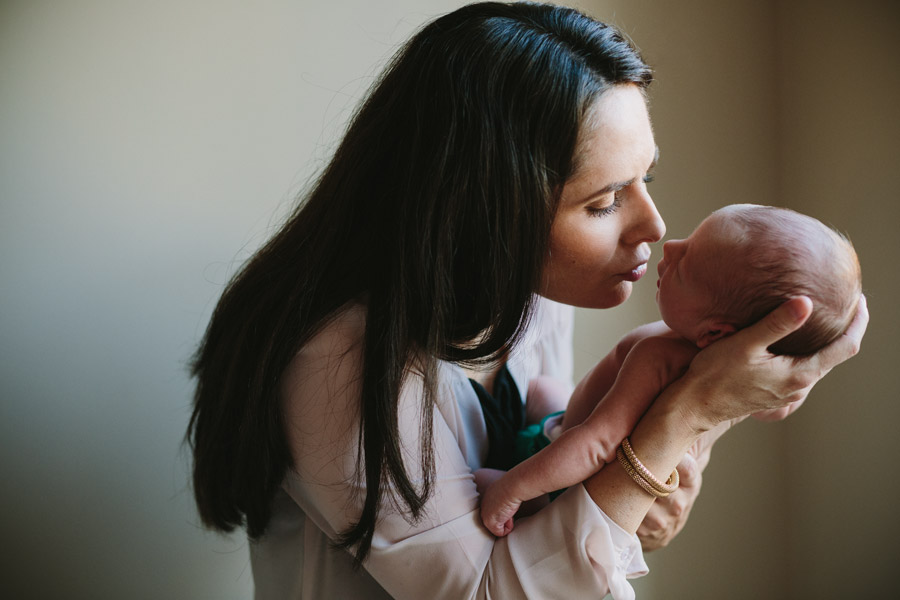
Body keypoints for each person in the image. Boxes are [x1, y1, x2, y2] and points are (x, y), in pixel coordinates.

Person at [186, 3, 867, 599]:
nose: (655, 228)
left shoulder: (532, 299)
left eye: (645, 178)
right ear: (483, 212)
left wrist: (645, 493)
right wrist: (690, 412)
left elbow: (566, 517)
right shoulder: (340, 362)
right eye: (604, 202)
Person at [477, 203, 862, 537]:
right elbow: (775, 406)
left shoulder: (659, 357)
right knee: (545, 389)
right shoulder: (743, 381)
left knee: (484, 484)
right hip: (575, 438)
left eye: (685, 264)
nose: (670, 246)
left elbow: (596, 443)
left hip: (569, 483)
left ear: (715, 332)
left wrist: (514, 489)